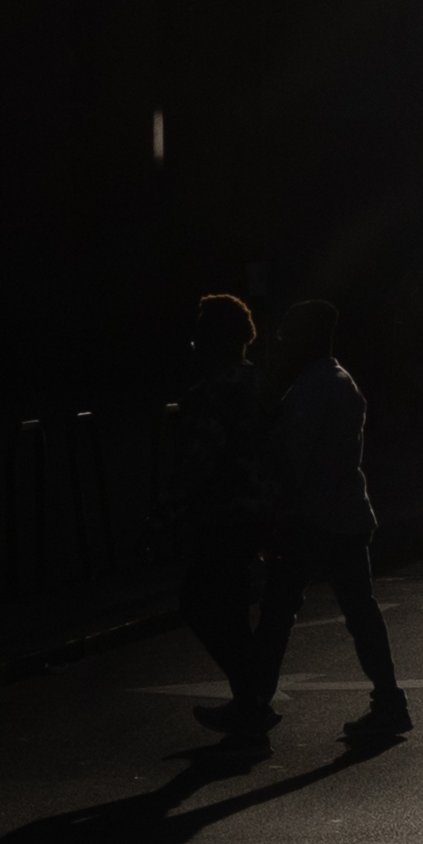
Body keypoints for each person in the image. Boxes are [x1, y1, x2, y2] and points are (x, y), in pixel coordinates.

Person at [257, 295, 411, 744]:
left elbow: (295, 458)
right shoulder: (334, 381)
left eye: (288, 332)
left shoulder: (314, 387)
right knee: (356, 612)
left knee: (279, 612)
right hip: (340, 512)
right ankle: (388, 701)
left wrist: (276, 511)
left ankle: (254, 703)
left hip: (315, 516)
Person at [171, 293, 283, 732]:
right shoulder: (262, 383)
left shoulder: (216, 390)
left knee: (200, 602)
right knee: (232, 604)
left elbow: (200, 458)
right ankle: (249, 700)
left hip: (224, 511)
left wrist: (165, 514)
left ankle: (250, 694)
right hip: (261, 508)